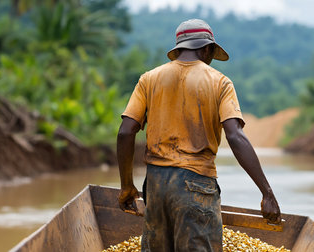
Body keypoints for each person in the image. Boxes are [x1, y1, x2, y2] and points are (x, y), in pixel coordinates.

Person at [117, 19, 281, 252]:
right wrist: (267, 192)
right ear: (206, 49)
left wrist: (126, 186)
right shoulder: (220, 83)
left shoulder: (149, 79)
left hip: (155, 185)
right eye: (211, 53)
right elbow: (235, 136)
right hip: (197, 185)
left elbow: (125, 132)